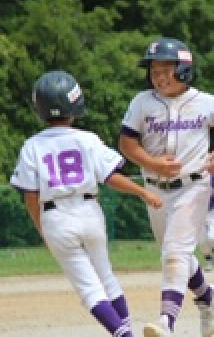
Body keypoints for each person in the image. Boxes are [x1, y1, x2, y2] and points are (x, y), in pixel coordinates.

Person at [10, 70, 164, 337]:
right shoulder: (87, 139)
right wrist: (142, 192)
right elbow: (110, 176)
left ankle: (124, 335)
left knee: (89, 289)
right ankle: (126, 331)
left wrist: (42, 229)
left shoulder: (31, 146)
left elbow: (31, 195)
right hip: (89, 210)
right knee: (107, 278)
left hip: (56, 216)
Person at [118, 38, 214, 337]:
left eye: (166, 69)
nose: (158, 76)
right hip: (155, 189)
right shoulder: (142, 102)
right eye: (154, 71)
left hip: (193, 186)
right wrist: (153, 163)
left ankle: (166, 322)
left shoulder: (205, 101)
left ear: (184, 70)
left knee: (175, 253)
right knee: (178, 255)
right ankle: (208, 298)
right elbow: (127, 142)